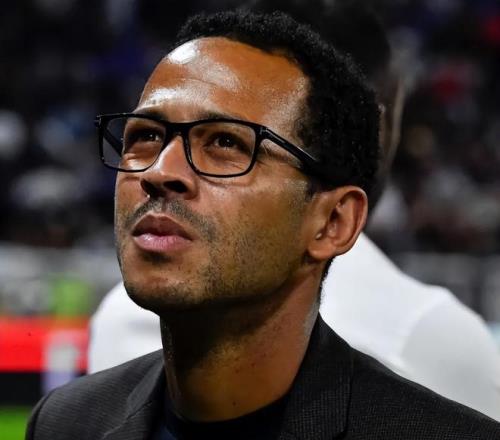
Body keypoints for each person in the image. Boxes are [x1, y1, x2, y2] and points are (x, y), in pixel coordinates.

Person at [27, 11, 500, 439]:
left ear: (333, 222)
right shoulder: (65, 423)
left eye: (226, 143)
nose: (159, 171)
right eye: (146, 135)